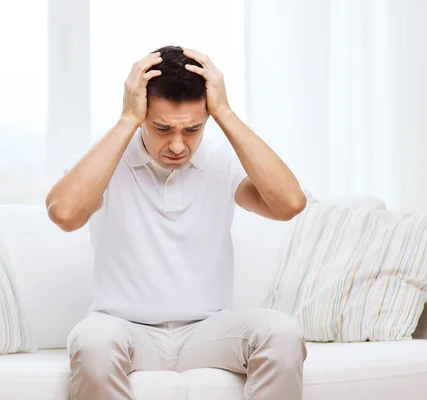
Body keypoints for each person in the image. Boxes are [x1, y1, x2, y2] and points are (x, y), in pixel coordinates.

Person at [45, 45, 307, 400]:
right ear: (142, 114)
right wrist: (127, 119)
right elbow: (64, 213)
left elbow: (289, 204)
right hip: (124, 330)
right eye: (162, 128)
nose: (178, 145)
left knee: (283, 333)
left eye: (193, 129)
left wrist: (225, 112)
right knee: (93, 342)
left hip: (208, 333)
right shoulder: (106, 159)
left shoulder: (220, 160)